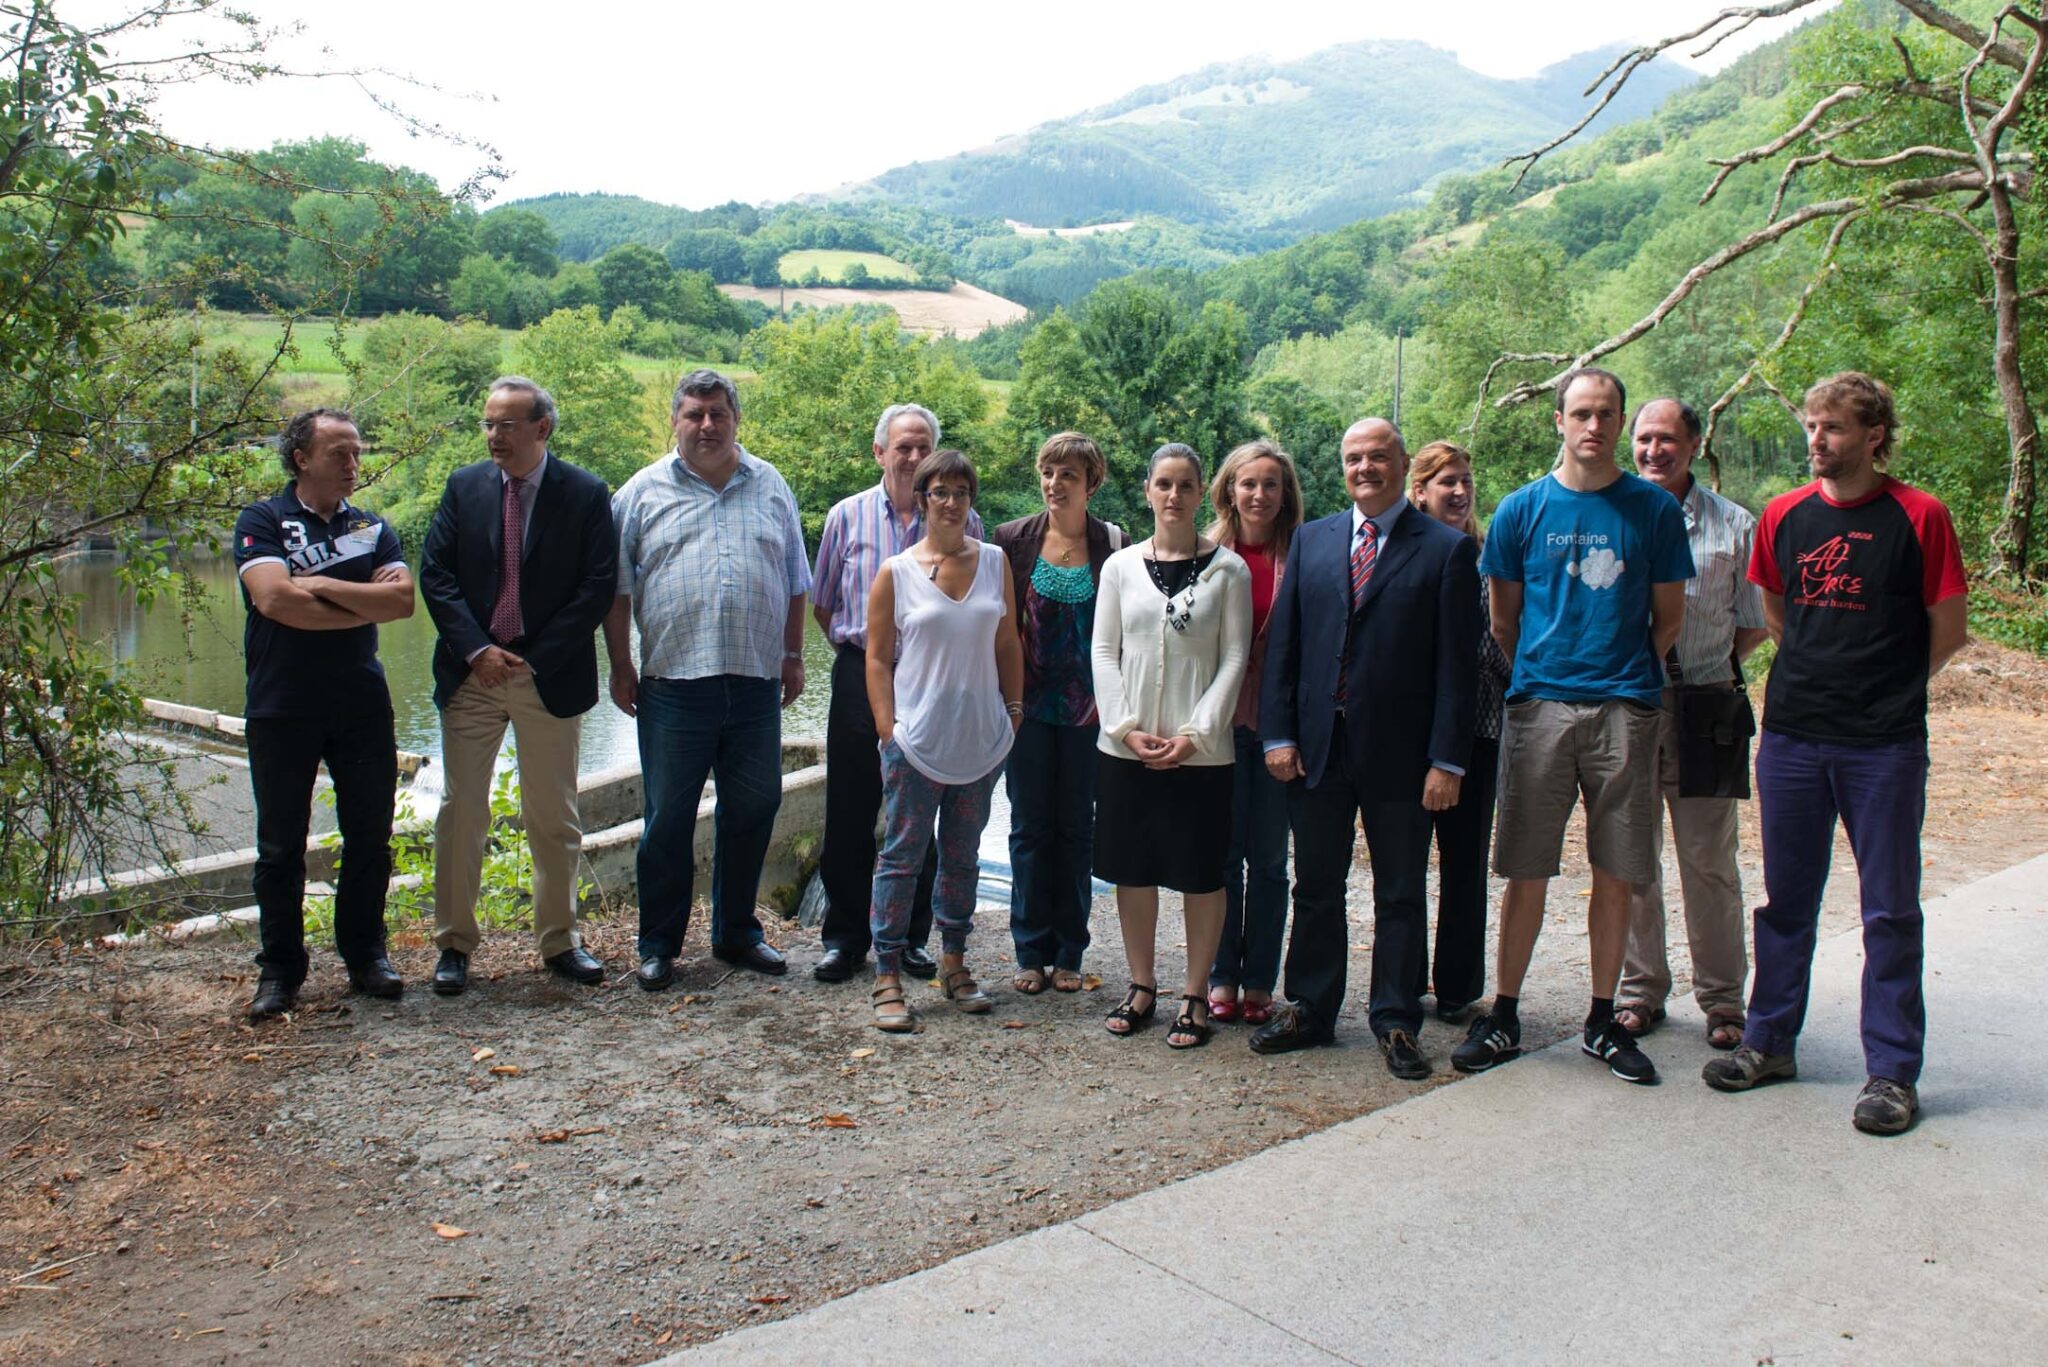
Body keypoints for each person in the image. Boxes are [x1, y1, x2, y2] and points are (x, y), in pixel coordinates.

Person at [1704, 373, 1967, 1137]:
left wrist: (1884, 689)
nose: (1817, 440)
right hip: (1792, 734)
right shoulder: (1785, 514)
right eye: (1812, 427)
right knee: (1786, 900)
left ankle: (1890, 1071)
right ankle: (1769, 1041)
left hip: (1883, 743)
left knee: (1889, 907)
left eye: (1835, 428)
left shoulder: (1920, 517)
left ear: (1876, 435)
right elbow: (1779, 611)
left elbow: (1946, 629)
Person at [1454, 368, 1694, 1086]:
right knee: (1526, 867)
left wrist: (1617, 674)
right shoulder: (1522, 509)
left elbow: (1669, 619)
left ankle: (1601, 1018)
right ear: (1558, 420)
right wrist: (1550, 670)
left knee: (1616, 869)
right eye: (1581, 413)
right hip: (1540, 705)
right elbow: (1503, 618)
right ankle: (1503, 1012)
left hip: (1626, 707)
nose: (1595, 426)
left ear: (1620, 422)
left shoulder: (1651, 510)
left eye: (1607, 414)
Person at [1254, 420, 1481, 1080]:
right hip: (1318, 750)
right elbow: (1285, 651)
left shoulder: (1443, 550)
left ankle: (1396, 1018)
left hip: (1404, 758)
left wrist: (1448, 760)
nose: (1365, 467)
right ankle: (1312, 1007)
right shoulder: (1313, 539)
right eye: (1354, 457)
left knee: (1401, 892)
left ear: (1401, 461)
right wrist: (1279, 734)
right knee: (1316, 884)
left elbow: (1456, 671)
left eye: (1378, 456)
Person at [604, 370, 810, 991]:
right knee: (667, 818)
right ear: (676, 419)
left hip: (753, 682)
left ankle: (736, 932)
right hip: (674, 683)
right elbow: (615, 590)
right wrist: (620, 664)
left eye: (718, 413)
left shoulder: (770, 484)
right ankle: (659, 945)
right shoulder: (639, 493)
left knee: (754, 806)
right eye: (694, 414)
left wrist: (794, 654)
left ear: (735, 419)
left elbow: (795, 577)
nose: (707, 425)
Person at [417, 376, 618, 996]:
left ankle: (560, 942)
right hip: (472, 674)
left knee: (553, 815)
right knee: (460, 812)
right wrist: (477, 649)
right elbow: (436, 574)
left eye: (506, 424)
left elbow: (597, 585)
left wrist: (534, 658)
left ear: (542, 428)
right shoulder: (464, 486)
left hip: (547, 676)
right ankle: (453, 945)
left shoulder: (585, 493)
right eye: (487, 424)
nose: (493, 436)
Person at [233, 409, 416, 1020]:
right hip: (282, 705)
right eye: (338, 452)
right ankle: (281, 972)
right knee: (280, 846)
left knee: (371, 836)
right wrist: (357, 600)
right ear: (301, 458)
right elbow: (275, 600)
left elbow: (401, 602)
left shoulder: (373, 526)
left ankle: (366, 957)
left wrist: (322, 589)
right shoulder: (262, 520)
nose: (352, 463)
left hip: (361, 704)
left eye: (357, 451)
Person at [1617, 399, 1768, 1047]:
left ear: (1695, 442)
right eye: (1644, 438)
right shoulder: (1611, 514)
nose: (1654, 451)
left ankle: (1725, 1000)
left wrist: (1703, 668)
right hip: (1626, 706)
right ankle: (1640, 990)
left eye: (1667, 439)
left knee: (1709, 860)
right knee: (1631, 858)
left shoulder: (1735, 526)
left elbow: (1756, 620)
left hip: (1708, 708)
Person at [1091, 444, 1251, 1050]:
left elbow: (1234, 657)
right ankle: (1141, 986)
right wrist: (1124, 727)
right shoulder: (1120, 567)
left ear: (1200, 491)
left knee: (1199, 873)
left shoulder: (1227, 570)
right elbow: (1105, 652)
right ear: (1147, 491)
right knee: (1134, 870)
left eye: (1186, 485)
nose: (1174, 495)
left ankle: (1194, 993)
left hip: (1201, 755)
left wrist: (1195, 735)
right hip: (1127, 750)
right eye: (1164, 484)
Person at [864, 451, 1023, 1031]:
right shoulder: (896, 572)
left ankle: (953, 964)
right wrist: (889, 731)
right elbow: (877, 659)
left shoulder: (996, 562)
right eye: (940, 492)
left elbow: (1008, 642)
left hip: (980, 741)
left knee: (962, 857)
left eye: (961, 491)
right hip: (917, 743)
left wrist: (1013, 713)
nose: (951, 502)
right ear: (922, 498)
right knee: (902, 858)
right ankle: (886, 973)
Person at [809, 404, 967, 985]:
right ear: (880, 453)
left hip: (932, 680)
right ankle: (844, 939)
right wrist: (869, 658)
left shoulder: (959, 524)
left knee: (920, 812)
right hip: (860, 675)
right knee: (849, 810)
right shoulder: (845, 517)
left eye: (923, 446)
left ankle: (911, 940)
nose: (913, 457)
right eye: (902, 446)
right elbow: (823, 605)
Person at [992, 432, 1124, 996]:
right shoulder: (1011, 541)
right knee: (1027, 829)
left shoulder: (1113, 543)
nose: (1054, 484)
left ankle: (1070, 949)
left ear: (1091, 483)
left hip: (1090, 713)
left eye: (1067, 475)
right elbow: (998, 630)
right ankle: (1029, 950)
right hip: (1027, 710)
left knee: (1076, 830)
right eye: (1048, 472)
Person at [1201, 439, 1306, 1027]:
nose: (1260, 494)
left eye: (1271, 484)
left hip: (1276, 731)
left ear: (1285, 492)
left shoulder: (1309, 551)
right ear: (1229, 488)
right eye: (1249, 483)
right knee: (1220, 859)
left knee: (1268, 861)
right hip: (1216, 728)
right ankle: (1220, 974)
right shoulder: (1206, 552)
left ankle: (1260, 979)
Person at [1407, 439, 1511, 1024]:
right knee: (1406, 865)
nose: (1459, 490)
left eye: (1466, 479)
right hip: (1411, 733)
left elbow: (1501, 642)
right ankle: (1404, 978)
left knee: (1465, 864)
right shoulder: (1404, 554)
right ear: (1418, 490)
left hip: (1479, 729)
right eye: (1445, 480)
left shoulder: (1486, 556)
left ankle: (1457, 987)